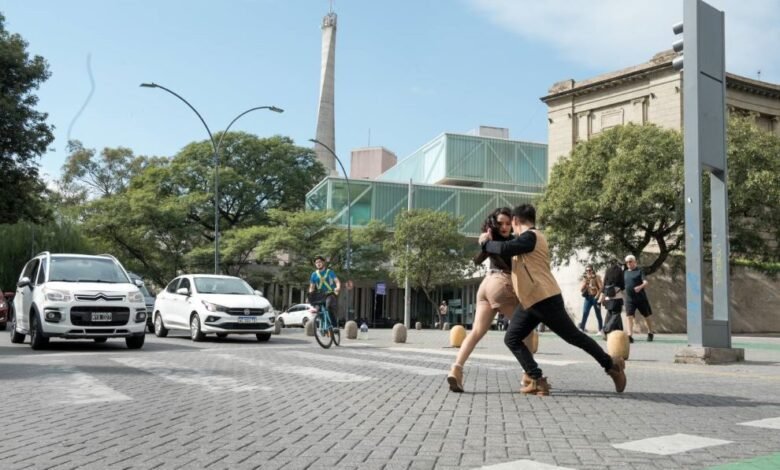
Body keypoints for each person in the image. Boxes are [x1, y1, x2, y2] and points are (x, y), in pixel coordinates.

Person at [480, 204, 627, 395]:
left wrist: (485, 243)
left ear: (515, 220)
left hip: (545, 298)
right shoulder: (523, 242)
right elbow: (505, 252)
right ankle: (537, 379)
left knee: (574, 337)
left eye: (511, 223)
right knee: (512, 338)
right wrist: (490, 243)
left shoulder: (531, 236)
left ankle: (612, 365)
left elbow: (505, 248)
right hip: (531, 301)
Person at [447, 207, 519, 393]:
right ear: (494, 224)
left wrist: (486, 243)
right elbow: (483, 260)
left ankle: (456, 369)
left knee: (476, 332)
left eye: (507, 223)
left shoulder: (494, 240)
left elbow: (477, 260)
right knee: (524, 327)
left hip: (485, 285)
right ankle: (530, 375)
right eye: (500, 223)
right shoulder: (510, 241)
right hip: (501, 282)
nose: (504, 227)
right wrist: (485, 243)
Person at [623, 255, 656, 343]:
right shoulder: (625, 272)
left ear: (634, 262)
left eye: (630, 261)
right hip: (629, 299)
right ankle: (630, 335)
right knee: (629, 316)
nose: (628, 263)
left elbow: (645, 282)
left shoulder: (639, 271)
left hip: (641, 299)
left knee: (647, 316)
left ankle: (650, 332)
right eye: (627, 262)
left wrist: (640, 287)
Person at [308, 255, 341, 328]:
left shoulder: (329, 272)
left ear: (323, 262)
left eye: (319, 262)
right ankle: (321, 321)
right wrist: (310, 294)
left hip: (330, 294)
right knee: (316, 307)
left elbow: (337, 281)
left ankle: (334, 326)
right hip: (320, 295)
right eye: (316, 262)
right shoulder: (314, 274)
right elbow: (312, 287)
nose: (318, 263)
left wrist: (338, 288)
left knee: (328, 306)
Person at [599, 260, 625, 339]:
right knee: (616, 313)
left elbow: (604, 283)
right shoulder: (619, 270)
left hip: (608, 295)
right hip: (617, 295)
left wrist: (602, 297)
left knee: (609, 313)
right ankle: (605, 329)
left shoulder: (608, 270)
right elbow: (622, 284)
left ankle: (619, 332)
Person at [579, 265, 603, 333]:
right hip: (588, 298)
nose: (588, 272)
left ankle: (600, 329)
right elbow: (581, 289)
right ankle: (582, 328)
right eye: (587, 270)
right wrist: (585, 283)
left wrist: (597, 296)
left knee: (598, 314)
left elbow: (601, 287)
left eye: (589, 270)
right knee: (585, 313)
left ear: (592, 270)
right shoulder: (585, 278)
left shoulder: (596, 277)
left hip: (595, 297)